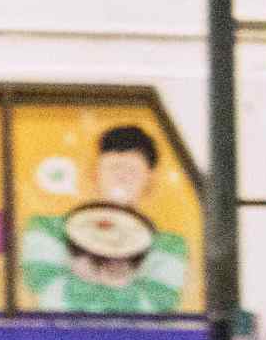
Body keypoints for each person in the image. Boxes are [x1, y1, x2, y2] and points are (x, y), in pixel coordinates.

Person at [20, 123, 190, 314]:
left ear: (150, 179)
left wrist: (84, 280)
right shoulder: (48, 228)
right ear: (95, 172)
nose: (122, 177)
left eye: (132, 170)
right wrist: (121, 286)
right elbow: (51, 297)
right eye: (114, 167)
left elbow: (154, 309)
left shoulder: (168, 245)